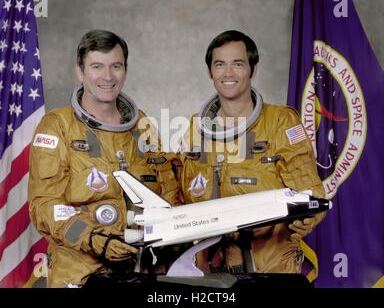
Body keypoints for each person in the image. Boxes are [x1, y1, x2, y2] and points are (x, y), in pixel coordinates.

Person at [28, 30, 179, 287]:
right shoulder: (57, 126)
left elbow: (168, 190)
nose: (108, 77)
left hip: (144, 271)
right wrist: (93, 239)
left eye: (116, 66)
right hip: (80, 275)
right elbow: (45, 206)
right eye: (97, 66)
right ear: (80, 71)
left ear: (125, 70)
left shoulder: (142, 125)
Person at [179, 30, 326, 275]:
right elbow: (181, 197)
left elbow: (311, 191)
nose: (228, 73)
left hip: (270, 270)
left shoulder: (281, 122)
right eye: (219, 65)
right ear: (210, 72)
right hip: (210, 274)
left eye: (237, 64)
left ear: (252, 69)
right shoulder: (197, 127)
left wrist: (306, 217)